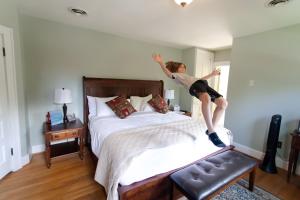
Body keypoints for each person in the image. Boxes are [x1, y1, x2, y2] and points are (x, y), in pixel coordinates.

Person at [152, 54, 228, 147]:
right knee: (206, 98)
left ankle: (211, 129)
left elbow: (200, 80)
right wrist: (160, 62)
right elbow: (168, 73)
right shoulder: (177, 75)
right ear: (176, 69)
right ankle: (212, 132)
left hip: (203, 84)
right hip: (194, 87)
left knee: (223, 103)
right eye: (181, 67)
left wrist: (212, 74)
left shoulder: (188, 76)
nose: (184, 68)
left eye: (184, 67)